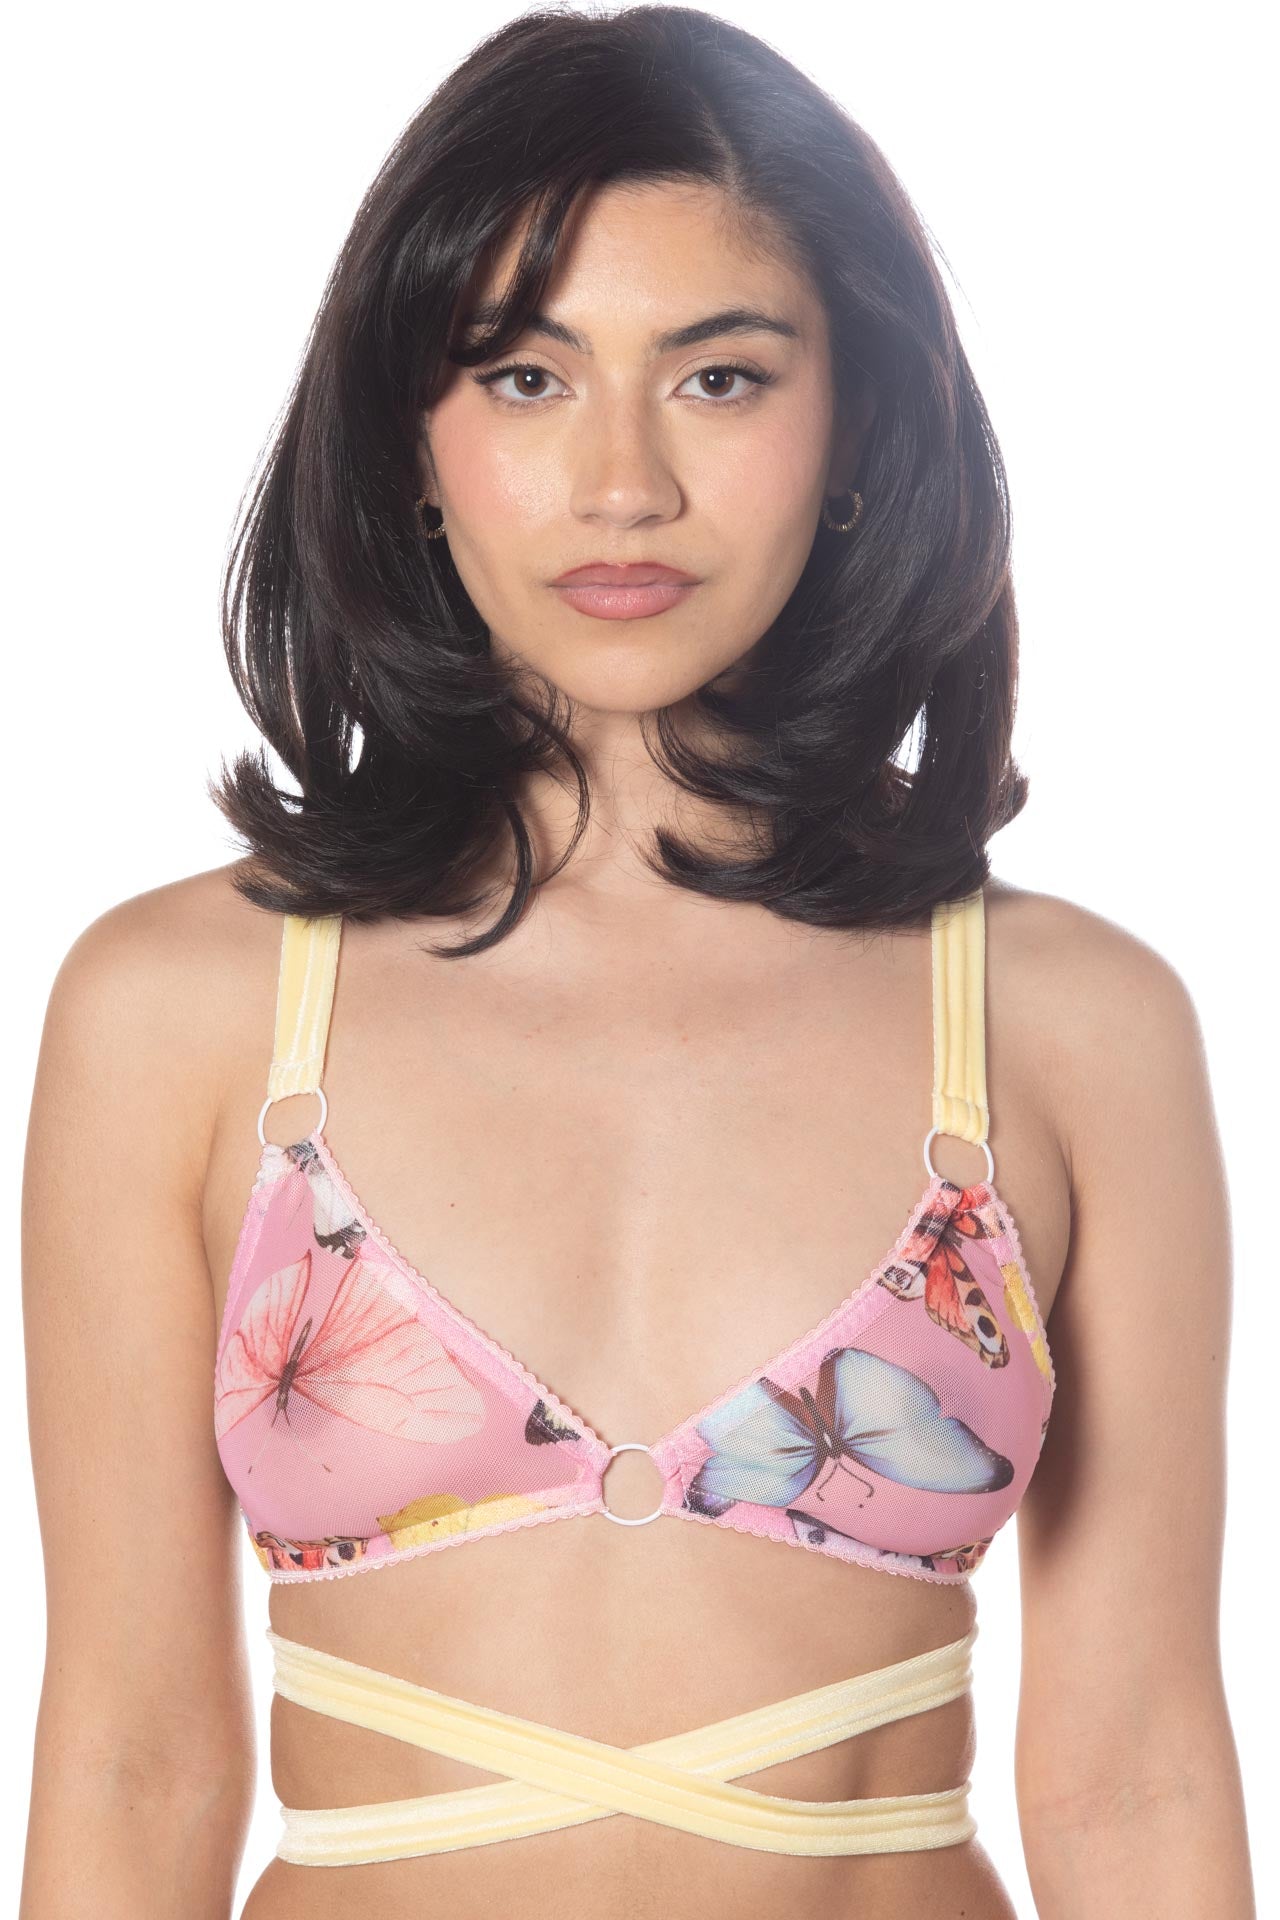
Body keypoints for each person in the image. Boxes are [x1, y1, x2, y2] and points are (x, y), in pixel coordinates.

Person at [19, 7, 1255, 1918]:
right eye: (524, 376)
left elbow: (1136, 1776)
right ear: (410, 441)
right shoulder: (181, 1015)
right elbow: (134, 1761)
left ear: (855, 430)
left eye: (720, 378)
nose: (623, 486)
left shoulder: (1071, 1027)